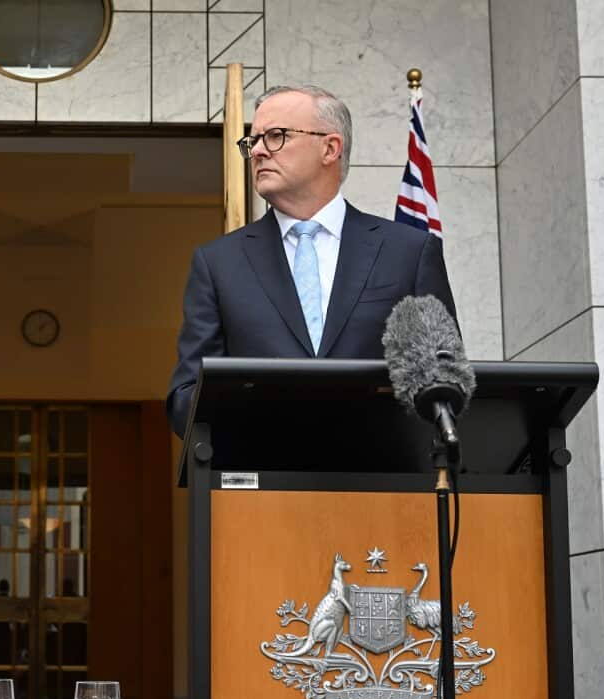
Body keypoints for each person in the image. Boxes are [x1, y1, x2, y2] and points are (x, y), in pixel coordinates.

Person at [166, 84, 457, 436]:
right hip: (263, 482)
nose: (257, 151)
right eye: (253, 141)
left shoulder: (408, 252)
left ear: (330, 148)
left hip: (386, 479)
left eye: (276, 136)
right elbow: (186, 398)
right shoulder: (218, 264)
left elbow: (445, 383)